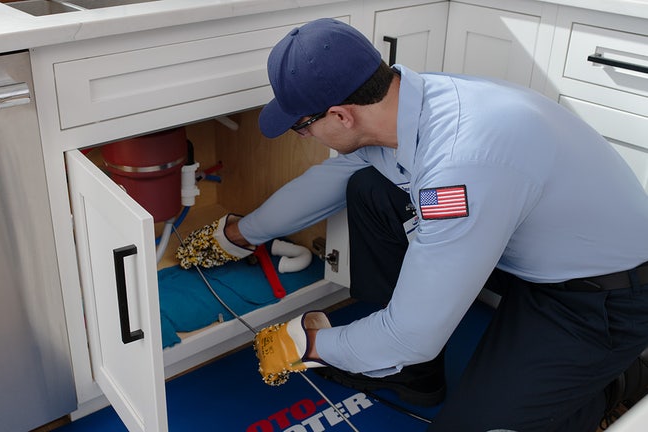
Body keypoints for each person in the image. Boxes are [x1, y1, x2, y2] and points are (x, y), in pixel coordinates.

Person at [176, 18, 648, 431]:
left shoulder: (459, 162)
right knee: (369, 189)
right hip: (526, 246)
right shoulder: (406, 103)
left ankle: (615, 382)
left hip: (599, 296)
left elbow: (411, 336)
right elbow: (327, 181)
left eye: (302, 126)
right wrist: (241, 234)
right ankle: (411, 376)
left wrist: (310, 343)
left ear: (340, 115)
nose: (304, 136)